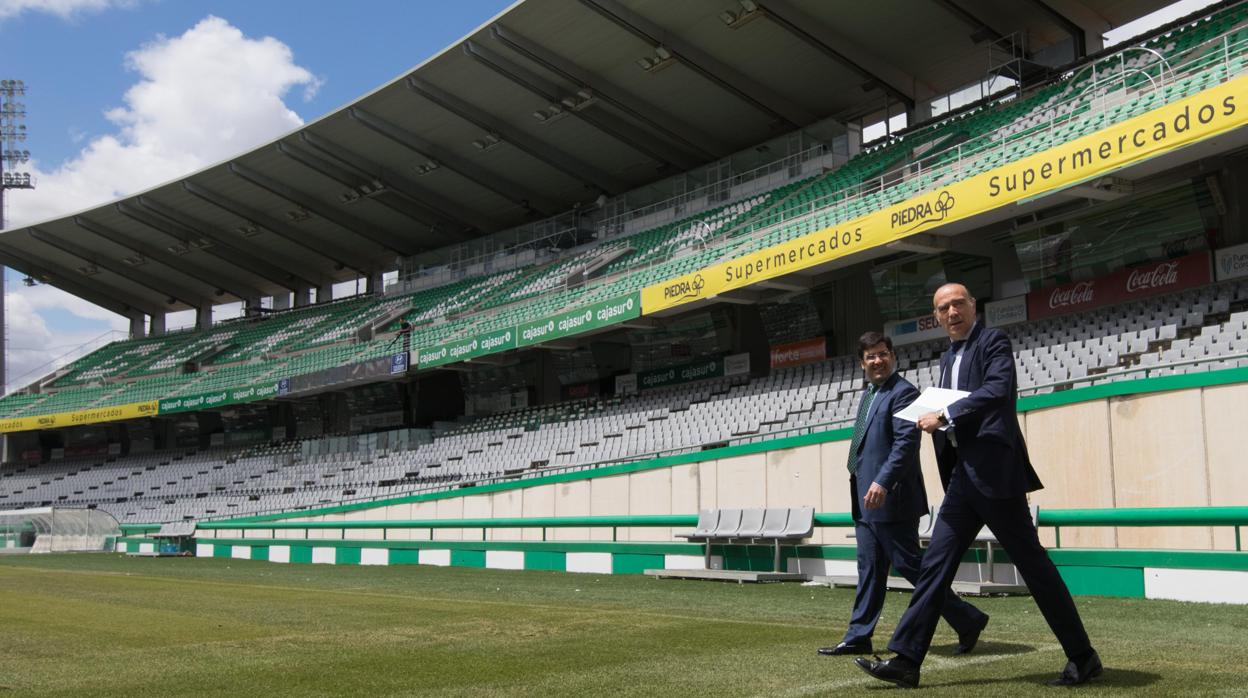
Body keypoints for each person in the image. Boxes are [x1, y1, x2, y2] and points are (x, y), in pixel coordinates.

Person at [856, 283, 1102, 688]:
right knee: (934, 566)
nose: (951, 312)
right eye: (942, 308)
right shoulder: (948, 354)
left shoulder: (993, 341)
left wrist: (944, 415)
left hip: (995, 476)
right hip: (961, 481)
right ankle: (906, 659)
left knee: (1034, 568)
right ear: (936, 318)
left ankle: (1083, 656)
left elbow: (996, 390)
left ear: (973, 306)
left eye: (958, 304)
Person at [818, 331, 989, 657]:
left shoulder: (903, 392)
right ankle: (858, 635)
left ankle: (967, 619)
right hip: (865, 500)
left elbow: (905, 445)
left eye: (883, 354)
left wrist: (882, 482)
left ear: (892, 356)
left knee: (912, 567)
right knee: (868, 568)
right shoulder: (869, 393)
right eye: (871, 356)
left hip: (891, 499)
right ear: (862, 362)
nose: (877, 361)